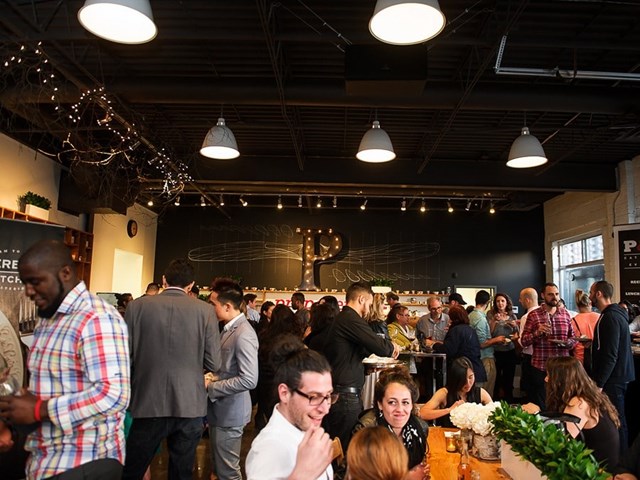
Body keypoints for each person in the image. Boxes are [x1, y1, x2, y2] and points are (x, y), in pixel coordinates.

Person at [0, 239, 130, 479]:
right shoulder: (49, 318)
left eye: (36, 282)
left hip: (84, 462)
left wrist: (39, 409)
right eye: (25, 283)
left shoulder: (96, 318)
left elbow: (113, 395)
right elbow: (58, 384)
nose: (28, 291)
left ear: (66, 273)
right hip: (48, 460)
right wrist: (21, 403)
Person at [122, 258, 221, 480]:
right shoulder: (206, 311)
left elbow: (125, 357)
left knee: (133, 470)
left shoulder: (137, 307)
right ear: (191, 284)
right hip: (189, 404)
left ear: (164, 280)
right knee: (181, 472)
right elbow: (215, 363)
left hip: (147, 401)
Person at [307, 281, 398, 449]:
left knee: (341, 446)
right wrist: (392, 347)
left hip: (342, 394)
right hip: (345, 397)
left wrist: (365, 367)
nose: (369, 309)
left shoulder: (343, 318)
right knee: (345, 449)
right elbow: (381, 347)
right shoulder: (350, 318)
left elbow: (346, 354)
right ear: (361, 299)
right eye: (369, 304)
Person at [246, 335, 335, 480]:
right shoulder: (269, 449)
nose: (325, 409)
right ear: (284, 393)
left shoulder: (305, 429)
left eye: (328, 396)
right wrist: (301, 475)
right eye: (314, 397)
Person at [522, 356, 620, 469]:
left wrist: (536, 414)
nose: (546, 379)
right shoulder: (587, 395)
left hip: (596, 471)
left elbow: (559, 442)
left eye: (549, 375)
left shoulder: (579, 403)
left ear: (561, 380)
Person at [207, 278, 259, 480]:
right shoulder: (229, 328)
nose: (210, 308)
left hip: (230, 412)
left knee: (228, 473)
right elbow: (228, 368)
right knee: (220, 469)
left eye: (213, 304)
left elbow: (249, 379)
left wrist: (212, 385)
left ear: (227, 306)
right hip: (222, 411)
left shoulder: (244, 333)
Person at [352, 366, 428, 480]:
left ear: (412, 405)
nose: (400, 409)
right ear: (380, 404)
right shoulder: (366, 431)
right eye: (392, 402)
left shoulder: (419, 428)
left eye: (405, 402)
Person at [589, 280, 635, 450]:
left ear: (599, 294)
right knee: (616, 419)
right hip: (618, 376)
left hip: (613, 379)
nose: (589, 296)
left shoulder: (610, 317)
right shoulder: (615, 314)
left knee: (616, 420)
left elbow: (610, 355)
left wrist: (599, 383)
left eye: (591, 292)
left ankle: (621, 459)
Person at [520, 282, 576, 410]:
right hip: (541, 367)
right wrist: (537, 333)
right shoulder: (534, 315)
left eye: (556, 294)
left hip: (562, 368)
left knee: (563, 404)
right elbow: (524, 341)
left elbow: (573, 338)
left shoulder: (565, 314)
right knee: (543, 406)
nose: (554, 297)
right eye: (550, 294)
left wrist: (567, 343)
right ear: (543, 296)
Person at [419, 356, 492, 427]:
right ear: (455, 379)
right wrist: (449, 410)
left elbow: (495, 414)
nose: (468, 383)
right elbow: (422, 413)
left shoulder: (481, 393)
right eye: (463, 380)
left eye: (471, 377)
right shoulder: (444, 393)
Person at [426, 306, 487, 386]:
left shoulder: (456, 330)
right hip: (476, 370)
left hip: (465, 373)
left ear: (453, 318)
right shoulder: (469, 329)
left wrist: (433, 345)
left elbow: (448, 350)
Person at [469, 290, 505, 397]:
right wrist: (497, 339)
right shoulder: (480, 318)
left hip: (475, 357)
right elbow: (482, 343)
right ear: (488, 302)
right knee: (486, 391)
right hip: (485, 357)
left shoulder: (471, 315)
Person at [488, 293, 518, 402]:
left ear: (507, 302)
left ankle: (509, 401)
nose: (500, 303)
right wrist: (494, 321)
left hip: (510, 350)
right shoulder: (491, 314)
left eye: (502, 301)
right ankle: (495, 401)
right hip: (496, 351)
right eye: (498, 301)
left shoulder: (512, 316)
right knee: (496, 378)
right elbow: (489, 334)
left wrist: (515, 326)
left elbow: (517, 334)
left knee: (509, 378)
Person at [517, 287, 540, 401]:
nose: (520, 301)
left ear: (527, 300)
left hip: (530, 358)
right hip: (545, 358)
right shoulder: (544, 314)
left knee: (531, 392)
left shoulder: (526, 317)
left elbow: (523, 343)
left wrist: (517, 339)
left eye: (521, 299)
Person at [570, 289, 600, 370]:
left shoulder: (573, 321)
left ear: (577, 305)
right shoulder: (599, 317)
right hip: (597, 358)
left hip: (579, 361)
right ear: (590, 303)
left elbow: (572, 342)